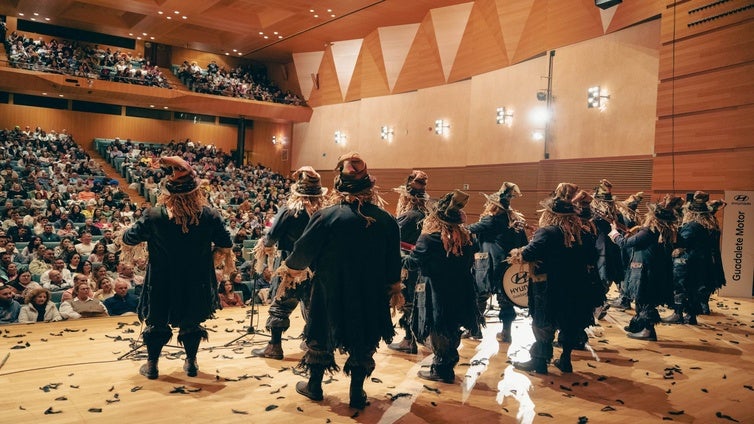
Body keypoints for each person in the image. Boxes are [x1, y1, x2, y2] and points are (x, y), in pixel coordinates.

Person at [278, 152, 402, 409]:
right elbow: (393, 264)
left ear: (338, 184)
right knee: (364, 337)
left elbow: (302, 253)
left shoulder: (327, 216)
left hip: (329, 290)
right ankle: (356, 393)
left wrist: (289, 271)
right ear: (370, 186)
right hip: (370, 292)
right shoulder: (387, 221)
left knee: (320, 334)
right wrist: (392, 286)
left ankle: (314, 386)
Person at [121, 156, 234, 380]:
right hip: (197, 279)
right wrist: (209, 260)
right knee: (192, 322)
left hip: (161, 280)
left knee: (157, 321)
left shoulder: (154, 215)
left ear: (168, 192)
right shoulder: (209, 215)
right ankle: (191, 363)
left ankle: (152, 366)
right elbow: (226, 244)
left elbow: (129, 238)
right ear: (196, 192)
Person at [510, 183, 597, 374]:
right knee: (569, 320)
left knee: (543, 322)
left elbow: (530, 254)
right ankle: (565, 360)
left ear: (550, 214)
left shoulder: (548, 231)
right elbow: (592, 258)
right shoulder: (583, 232)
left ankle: (540, 362)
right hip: (576, 285)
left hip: (548, 286)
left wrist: (519, 252)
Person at [403, 190, 482, 383]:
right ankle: (446, 364)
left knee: (439, 327)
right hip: (462, 289)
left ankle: (442, 369)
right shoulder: (468, 238)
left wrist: (399, 257)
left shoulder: (429, 239)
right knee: (453, 326)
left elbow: (413, 263)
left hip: (437, 291)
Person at [251, 166, 327, 360]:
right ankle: (313, 343)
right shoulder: (326, 212)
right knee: (312, 305)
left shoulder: (290, 210)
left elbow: (272, 236)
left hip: (290, 264)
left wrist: (264, 247)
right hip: (317, 266)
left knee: (281, 304)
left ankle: (274, 347)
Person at [608, 194, 682, 341]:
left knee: (645, 300)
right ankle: (638, 325)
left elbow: (625, 244)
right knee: (644, 299)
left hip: (646, 271)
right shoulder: (669, 230)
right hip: (659, 270)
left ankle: (648, 331)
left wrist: (615, 233)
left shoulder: (649, 231)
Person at [467, 182, 528, 343]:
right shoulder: (516, 222)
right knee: (505, 300)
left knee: (480, 296)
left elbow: (468, 229)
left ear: (493, 206)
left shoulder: (490, 220)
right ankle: (506, 332)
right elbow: (524, 243)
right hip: (509, 266)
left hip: (489, 266)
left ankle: (475, 329)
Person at [388, 170, 429, 354]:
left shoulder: (410, 216)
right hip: (421, 265)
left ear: (407, 198)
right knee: (413, 301)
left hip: (409, 265)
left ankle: (408, 339)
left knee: (408, 302)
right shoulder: (426, 213)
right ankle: (412, 337)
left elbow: (392, 238)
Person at [664, 191, 715, 325]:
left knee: (680, 287)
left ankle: (678, 314)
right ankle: (691, 316)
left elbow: (682, 242)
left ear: (691, 212)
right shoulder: (710, 225)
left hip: (687, 261)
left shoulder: (692, 226)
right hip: (702, 262)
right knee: (693, 289)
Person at [611, 192, 644, 309]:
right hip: (630, 248)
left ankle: (624, 299)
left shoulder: (626, 217)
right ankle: (624, 297)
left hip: (625, 247)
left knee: (625, 272)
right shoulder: (636, 216)